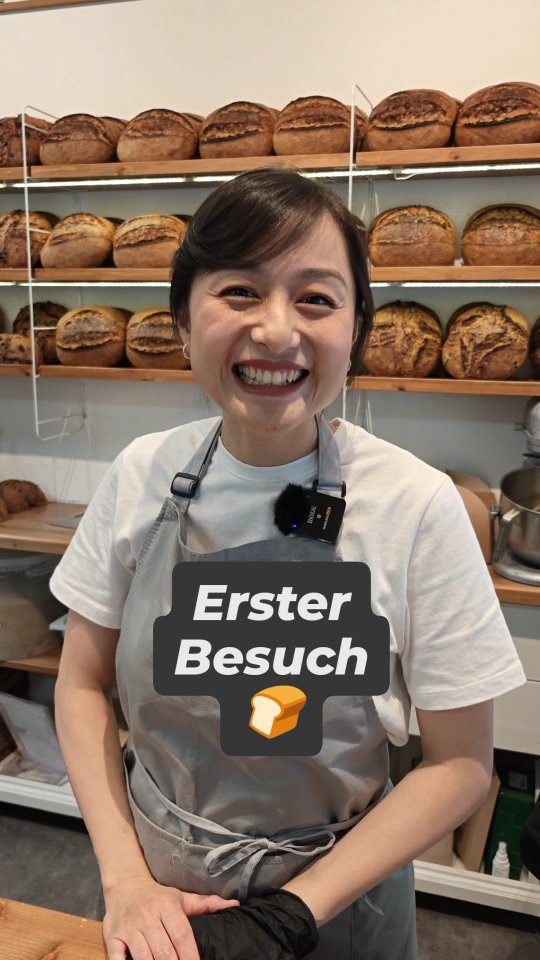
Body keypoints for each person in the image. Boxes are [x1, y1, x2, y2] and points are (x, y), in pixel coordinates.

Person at [51, 167, 526, 960]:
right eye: (240, 291)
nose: (276, 331)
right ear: (182, 316)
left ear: (356, 328)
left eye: (316, 298)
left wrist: (289, 915)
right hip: (163, 899)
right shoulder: (141, 472)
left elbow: (462, 767)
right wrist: (126, 880)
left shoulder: (416, 505)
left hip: (341, 902)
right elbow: (78, 682)